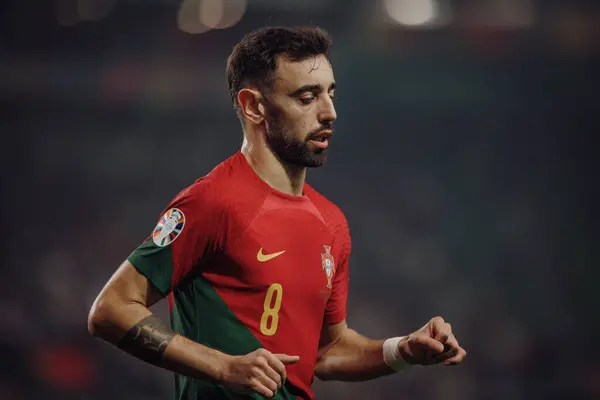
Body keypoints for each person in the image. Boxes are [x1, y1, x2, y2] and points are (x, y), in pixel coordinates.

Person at [88, 26, 467, 400]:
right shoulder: (213, 202)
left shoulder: (331, 223)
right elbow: (110, 308)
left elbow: (325, 352)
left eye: (331, 94)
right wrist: (222, 366)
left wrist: (403, 351)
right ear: (254, 106)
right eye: (306, 97)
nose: (330, 112)